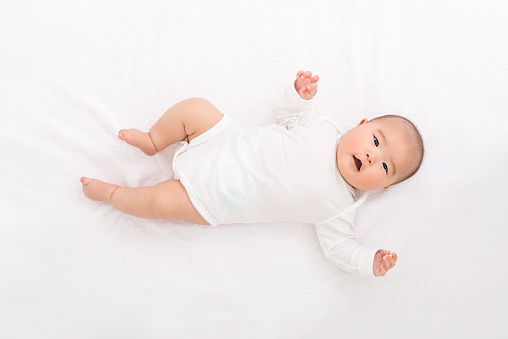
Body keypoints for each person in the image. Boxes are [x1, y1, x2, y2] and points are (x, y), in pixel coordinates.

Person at [81, 70, 424, 277]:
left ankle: (113, 195)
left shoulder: (341, 206)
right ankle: (154, 140)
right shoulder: (323, 127)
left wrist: (369, 261)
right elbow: (288, 115)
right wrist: (300, 95)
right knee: (196, 108)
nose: (371, 154)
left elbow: (340, 249)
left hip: (214, 200)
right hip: (222, 143)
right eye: (376, 140)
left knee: (161, 202)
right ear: (360, 125)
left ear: (385, 186)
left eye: (384, 166)